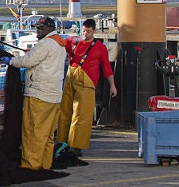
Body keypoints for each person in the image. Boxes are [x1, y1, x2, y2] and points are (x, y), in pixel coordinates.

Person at [10, 15, 68, 170]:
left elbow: (27, 61)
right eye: (37, 28)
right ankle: (44, 164)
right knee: (47, 134)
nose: (37, 31)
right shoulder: (60, 44)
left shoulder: (45, 44)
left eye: (40, 28)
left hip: (38, 95)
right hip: (54, 96)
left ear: (49, 29)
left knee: (32, 132)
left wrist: (11, 61)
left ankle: (30, 166)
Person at [59, 17, 115, 153]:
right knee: (65, 111)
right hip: (70, 79)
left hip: (87, 83)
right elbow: (56, 48)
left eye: (88, 31)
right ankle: (63, 142)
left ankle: (76, 146)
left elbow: (107, 68)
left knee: (81, 114)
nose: (85, 34)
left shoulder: (100, 48)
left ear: (94, 31)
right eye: (83, 31)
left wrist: (112, 86)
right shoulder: (72, 41)